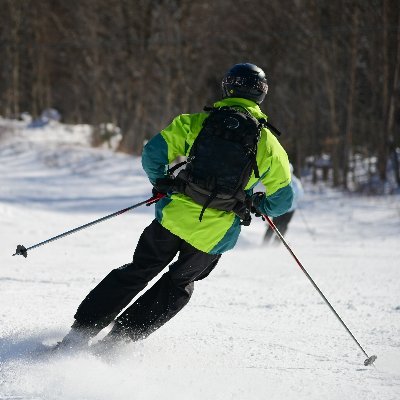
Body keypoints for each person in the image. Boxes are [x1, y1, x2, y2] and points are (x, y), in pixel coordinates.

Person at [56, 63, 294, 352]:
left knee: (139, 269)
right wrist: (258, 203)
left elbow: (152, 153)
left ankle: (79, 335)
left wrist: (162, 182)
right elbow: (284, 201)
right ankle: (116, 344)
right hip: (213, 235)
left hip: (172, 217)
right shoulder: (269, 144)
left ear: (227, 87)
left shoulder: (195, 122)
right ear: (261, 95)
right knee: (178, 285)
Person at [263, 164, 304, 245]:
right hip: (280, 208)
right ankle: (265, 242)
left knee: (283, 225)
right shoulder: (279, 180)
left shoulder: (295, 182)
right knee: (273, 225)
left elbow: (300, 194)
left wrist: (293, 199)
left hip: (289, 209)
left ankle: (276, 243)